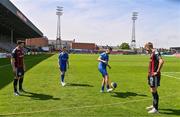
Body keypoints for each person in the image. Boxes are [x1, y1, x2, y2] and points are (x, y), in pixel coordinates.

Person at [144, 42, 164, 114]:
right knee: (152, 90)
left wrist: (157, 71)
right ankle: (153, 105)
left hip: (154, 75)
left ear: (148, 47)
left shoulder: (155, 52)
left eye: (145, 48)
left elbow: (161, 61)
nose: (145, 50)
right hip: (151, 75)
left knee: (154, 91)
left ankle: (156, 109)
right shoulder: (152, 53)